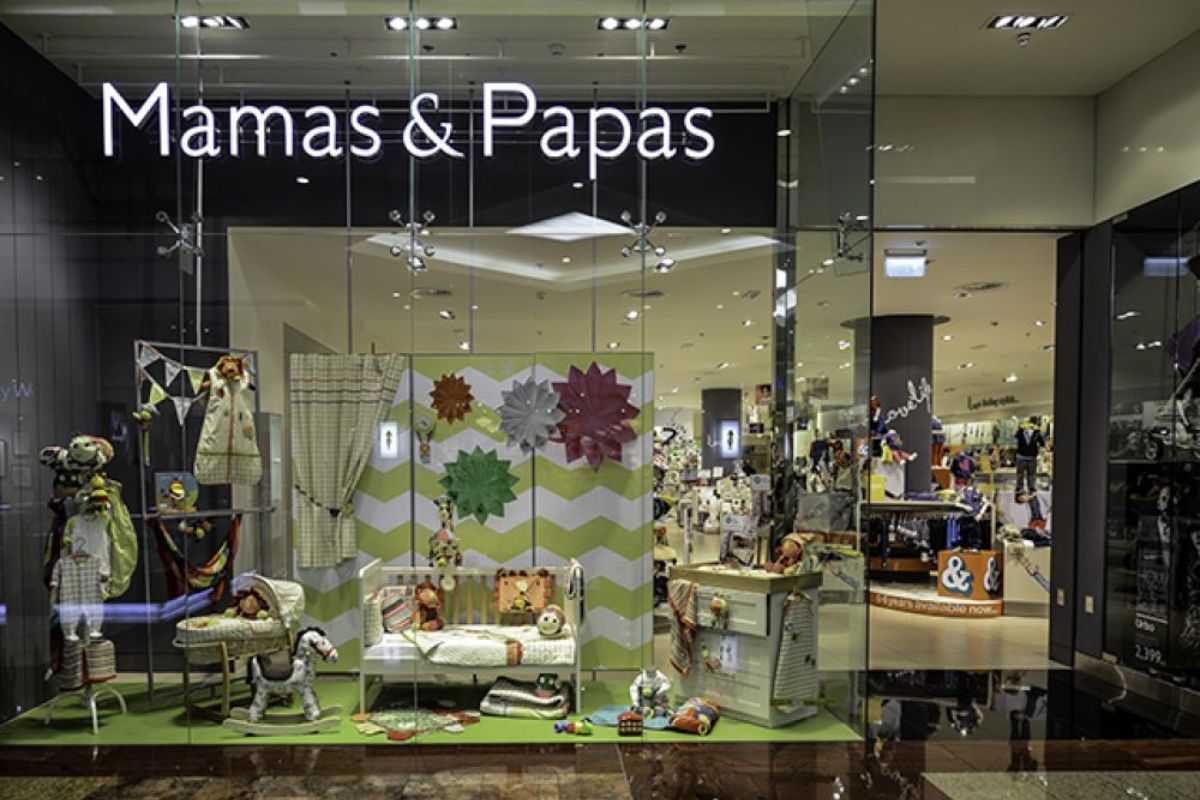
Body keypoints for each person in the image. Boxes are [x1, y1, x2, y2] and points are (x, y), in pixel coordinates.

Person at [1015, 417, 1045, 495]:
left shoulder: (1037, 432)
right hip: (1021, 456)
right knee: (1020, 474)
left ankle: (1031, 488)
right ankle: (1019, 487)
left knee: (1031, 474)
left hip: (1032, 457)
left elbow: (1042, 443)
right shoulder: (1021, 430)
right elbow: (1016, 436)